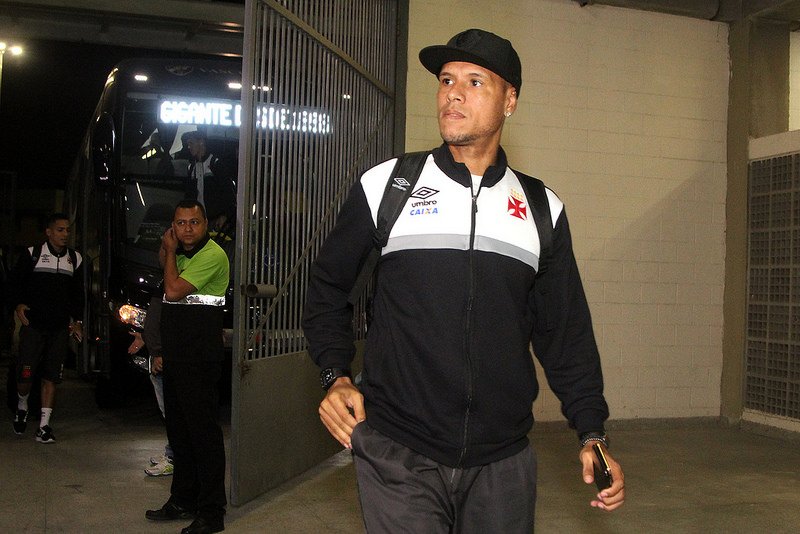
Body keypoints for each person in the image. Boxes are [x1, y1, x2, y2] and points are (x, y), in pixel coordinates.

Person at [302, 28, 625, 532]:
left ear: (510, 100)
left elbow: (565, 332)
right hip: (397, 451)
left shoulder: (541, 209)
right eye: (446, 80)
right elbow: (327, 288)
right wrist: (335, 374)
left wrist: (591, 432)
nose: (453, 93)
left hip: (502, 461)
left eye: (475, 82)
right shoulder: (388, 186)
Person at [145, 199, 229, 534]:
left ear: (205, 224)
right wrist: (169, 250)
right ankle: (183, 499)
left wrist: (169, 250)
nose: (187, 229)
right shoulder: (179, 254)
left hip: (200, 359)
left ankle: (212, 512)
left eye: (194, 222)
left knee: (203, 436)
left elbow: (174, 290)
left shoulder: (213, 255)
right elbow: (163, 273)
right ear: (173, 226)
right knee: (179, 435)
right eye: (180, 223)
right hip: (177, 357)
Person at [7, 213, 83, 444]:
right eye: (60, 230)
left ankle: (44, 426)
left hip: (59, 329)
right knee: (25, 375)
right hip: (34, 327)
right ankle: (22, 406)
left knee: (51, 376)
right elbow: (14, 284)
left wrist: (77, 321)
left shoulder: (75, 259)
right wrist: (18, 305)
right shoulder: (32, 254)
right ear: (48, 232)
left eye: (67, 230)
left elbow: (78, 295)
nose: (65, 234)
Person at [127, 293, 174, 477]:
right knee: (168, 411)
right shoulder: (165, 285)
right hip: (158, 353)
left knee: (173, 412)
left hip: (166, 356)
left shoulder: (176, 285)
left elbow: (171, 322)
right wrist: (146, 338)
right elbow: (155, 318)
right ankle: (172, 452)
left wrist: (159, 352)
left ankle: (175, 458)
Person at [184, 130, 236, 236]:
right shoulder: (191, 168)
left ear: (201, 142)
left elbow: (228, 192)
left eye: (191, 143)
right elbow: (189, 195)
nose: (189, 147)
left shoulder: (215, 164)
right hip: (198, 220)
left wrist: (225, 215)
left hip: (214, 220)